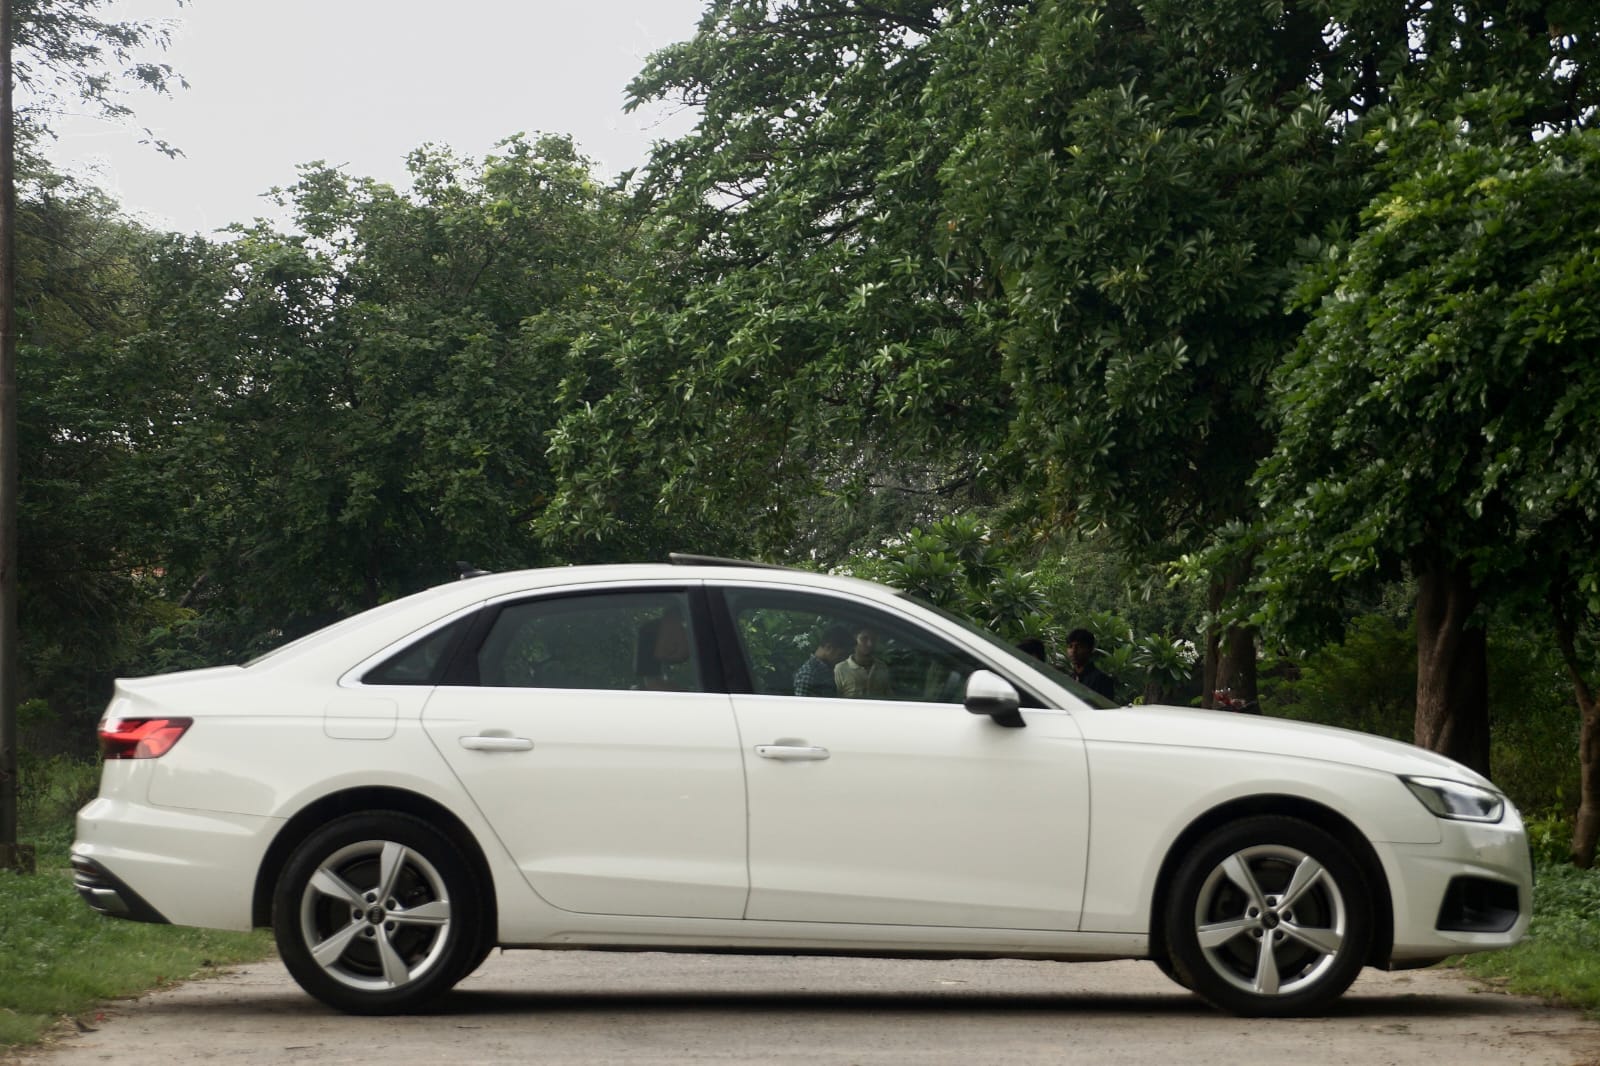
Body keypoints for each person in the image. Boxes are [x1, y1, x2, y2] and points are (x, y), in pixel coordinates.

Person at [794, 624, 855, 697]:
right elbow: (802, 703)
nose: (844, 660)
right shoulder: (808, 674)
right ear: (828, 647)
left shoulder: (827, 670)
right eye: (841, 655)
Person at [834, 625, 894, 698]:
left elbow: (888, 696)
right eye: (864, 639)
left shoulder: (881, 667)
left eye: (873, 639)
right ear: (854, 640)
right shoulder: (841, 669)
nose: (870, 644)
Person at [1065, 628, 1116, 700]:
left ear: (1090, 650)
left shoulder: (1102, 680)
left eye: (1079, 647)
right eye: (1070, 646)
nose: (1073, 651)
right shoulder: (1069, 679)